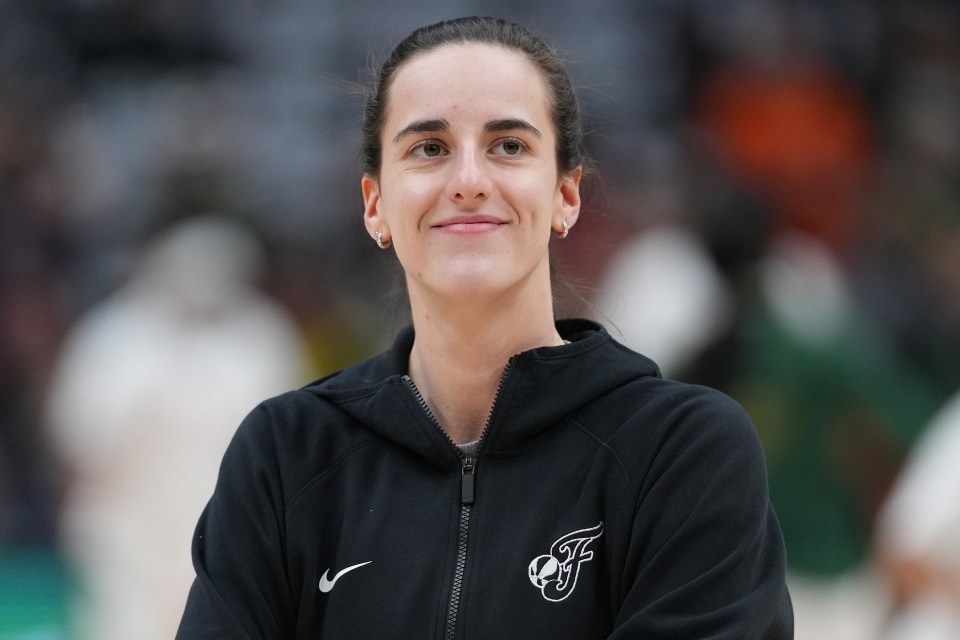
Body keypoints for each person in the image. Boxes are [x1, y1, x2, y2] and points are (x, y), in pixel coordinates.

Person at [176, 16, 792, 638]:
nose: (469, 182)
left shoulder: (681, 450)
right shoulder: (284, 455)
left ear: (566, 196)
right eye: (429, 148)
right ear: (375, 204)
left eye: (509, 146)